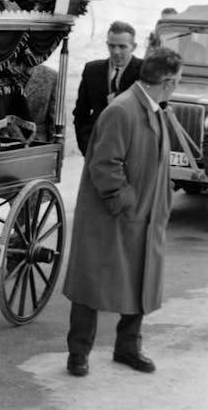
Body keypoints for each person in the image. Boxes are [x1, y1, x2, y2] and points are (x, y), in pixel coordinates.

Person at [62, 47, 184, 378]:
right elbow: (104, 163)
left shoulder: (152, 107)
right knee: (91, 282)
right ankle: (78, 353)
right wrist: (123, 201)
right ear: (169, 81)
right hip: (112, 216)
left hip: (144, 214)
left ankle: (128, 347)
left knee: (141, 279)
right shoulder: (123, 110)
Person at [72, 20, 142, 155]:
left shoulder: (144, 71)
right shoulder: (92, 70)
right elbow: (80, 112)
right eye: (112, 46)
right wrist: (86, 147)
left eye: (122, 47)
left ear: (134, 47)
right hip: (97, 148)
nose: (116, 52)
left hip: (132, 151)